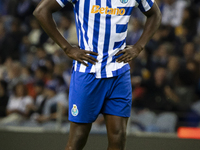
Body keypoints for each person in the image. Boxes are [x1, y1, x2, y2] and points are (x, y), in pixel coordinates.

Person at [33, 0, 161, 149]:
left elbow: (155, 14)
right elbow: (41, 11)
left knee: (118, 138)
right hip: (87, 73)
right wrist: (67, 48)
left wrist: (139, 47)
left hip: (119, 72)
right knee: (78, 139)